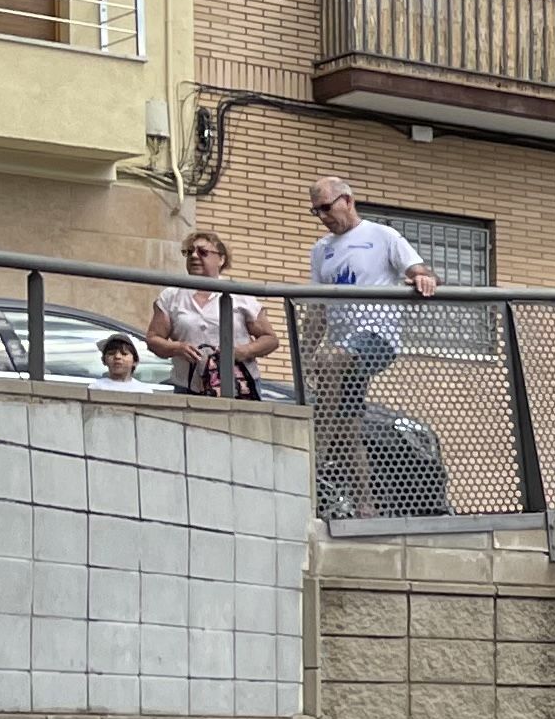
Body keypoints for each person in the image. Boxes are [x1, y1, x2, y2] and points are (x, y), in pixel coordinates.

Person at [302, 175, 440, 510]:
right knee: (350, 428)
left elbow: (420, 269)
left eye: (326, 207)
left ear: (347, 200)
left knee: (332, 360)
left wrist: (423, 277)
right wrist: (306, 353)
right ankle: (365, 505)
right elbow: (317, 310)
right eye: (315, 211)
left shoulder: (382, 236)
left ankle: (316, 451)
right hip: (341, 347)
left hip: (377, 339)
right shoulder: (321, 250)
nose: (322, 216)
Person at [144, 229, 277, 396]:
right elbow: (153, 339)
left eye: (203, 252)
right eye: (189, 252)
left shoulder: (239, 295)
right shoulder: (171, 296)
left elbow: (270, 339)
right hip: (188, 388)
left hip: (239, 388)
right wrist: (177, 348)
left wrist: (243, 351)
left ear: (221, 259)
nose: (194, 256)